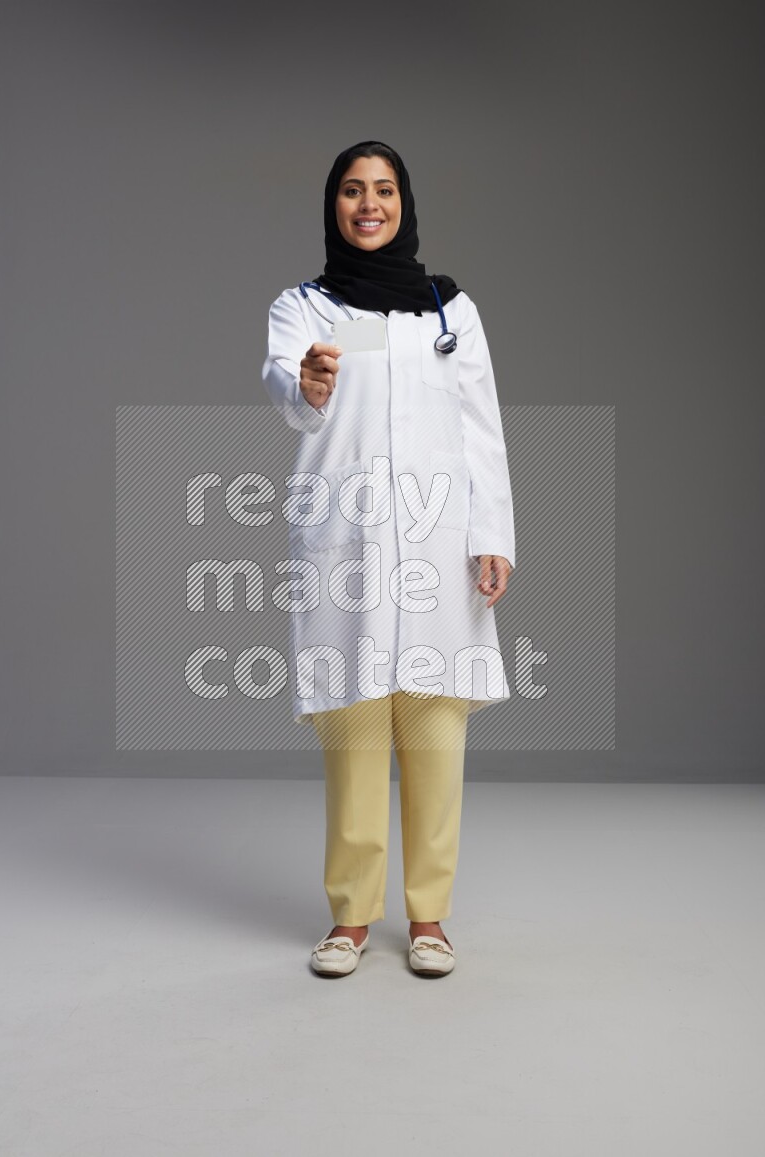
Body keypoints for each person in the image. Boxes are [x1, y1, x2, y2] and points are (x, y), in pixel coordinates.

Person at [261, 140, 515, 977]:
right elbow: (288, 388)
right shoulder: (305, 307)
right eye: (351, 191)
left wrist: (493, 536)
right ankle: (350, 919)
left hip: (441, 546)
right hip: (349, 544)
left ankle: (430, 917)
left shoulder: (451, 310)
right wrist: (307, 385)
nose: (368, 204)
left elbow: (481, 428)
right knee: (357, 734)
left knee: (436, 733)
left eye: (383, 189)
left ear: (405, 202)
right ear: (331, 205)